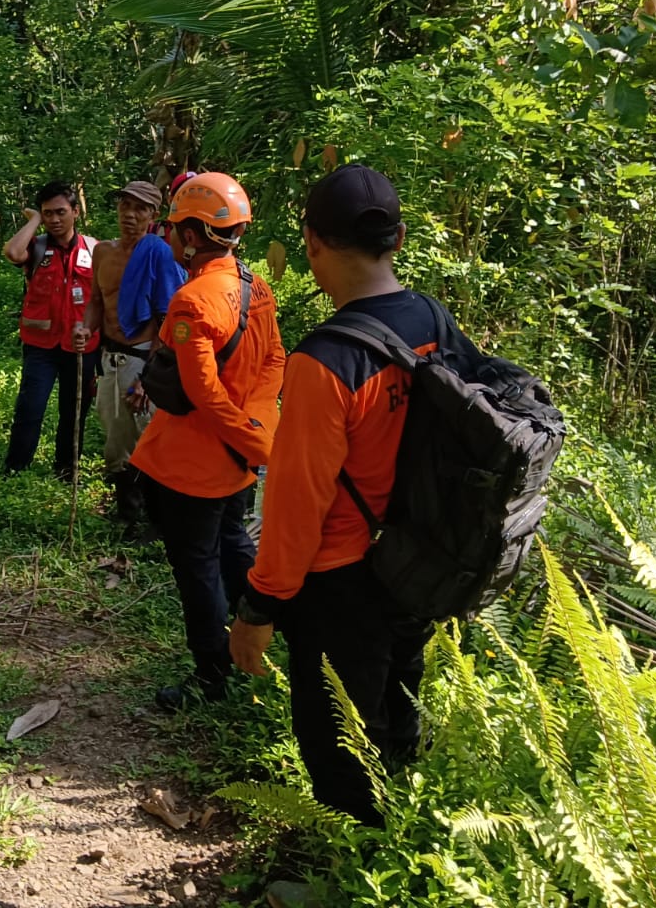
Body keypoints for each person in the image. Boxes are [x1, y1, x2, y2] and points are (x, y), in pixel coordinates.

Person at [229, 164, 477, 826]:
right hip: (416, 560)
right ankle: (404, 838)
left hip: (342, 583)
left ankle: (348, 866)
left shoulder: (324, 362)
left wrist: (257, 610)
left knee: (337, 738)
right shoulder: (431, 318)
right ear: (397, 240)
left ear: (312, 245)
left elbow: (295, 506)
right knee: (398, 707)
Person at [128, 172, 286, 710]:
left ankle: (213, 674)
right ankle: (267, 627)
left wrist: (247, 437)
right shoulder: (255, 286)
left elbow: (202, 395)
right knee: (233, 543)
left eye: (174, 227)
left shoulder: (193, 300)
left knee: (197, 569)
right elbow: (274, 363)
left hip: (192, 468)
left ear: (193, 236)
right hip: (237, 460)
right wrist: (257, 431)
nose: (169, 236)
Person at [81, 180, 169, 526]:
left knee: (148, 439)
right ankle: (127, 515)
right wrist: (85, 328)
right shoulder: (103, 251)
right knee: (115, 439)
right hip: (109, 357)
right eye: (124, 206)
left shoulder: (159, 253)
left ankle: (156, 519)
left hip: (142, 356)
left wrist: (149, 379)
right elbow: (96, 302)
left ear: (153, 215)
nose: (129, 215)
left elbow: (167, 319)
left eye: (140, 208)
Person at [2, 181, 100, 479]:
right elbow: (12, 252)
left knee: (74, 412)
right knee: (30, 409)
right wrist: (33, 221)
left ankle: (66, 471)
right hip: (40, 345)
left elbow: (104, 298)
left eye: (61, 212)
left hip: (81, 345)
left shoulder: (95, 249)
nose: (55, 220)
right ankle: (15, 471)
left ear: (75, 211)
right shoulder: (37, 246)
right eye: (47, 214)